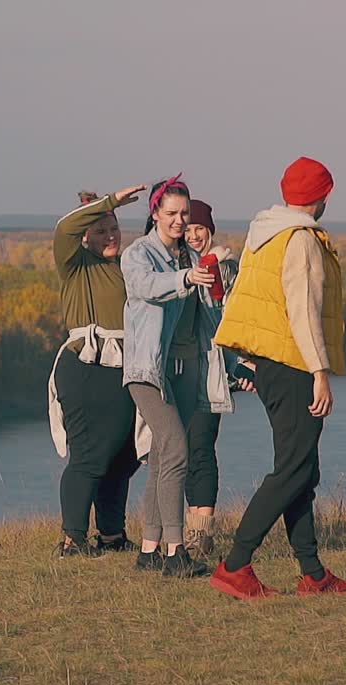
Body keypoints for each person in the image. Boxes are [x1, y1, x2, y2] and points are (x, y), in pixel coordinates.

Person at [211, 156, 346, 598]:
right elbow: (302, 311)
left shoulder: (265, 234)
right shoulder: (301, 241)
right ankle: (235, 565)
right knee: (293, 470)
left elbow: (255, 303)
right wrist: (320, 372)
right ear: (322, 196)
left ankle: (313, 575)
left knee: (301, 470)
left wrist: (254, 357)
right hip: (294, 364)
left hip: (272, 362)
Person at [48, 185, 148, 557]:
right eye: (102, 230)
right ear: (87, 236)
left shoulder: (126, 268)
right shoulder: (75, 264)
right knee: (90, 456)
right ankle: (72, 539)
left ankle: (111, 535)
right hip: (88, 367)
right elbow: (64, 229)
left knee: (122, 456)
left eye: (115, 228)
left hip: (124, 367)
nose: (111, 236)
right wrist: (109, 203)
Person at [119, 174, 211, 578]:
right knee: (176, 449)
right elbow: (145, 287)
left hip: (183, 369)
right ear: (155, 213)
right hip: (147, 369)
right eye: (171, 213)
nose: (178, 221)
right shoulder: (138, 254)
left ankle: (149, 547)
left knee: (160, 457)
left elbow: (204, 317)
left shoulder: (186, 257)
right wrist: (184, 279)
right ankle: (177, 552)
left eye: (184, 213)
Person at [172, 199, 253, 557]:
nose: (193, 235)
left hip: (213, 371)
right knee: (178, 451)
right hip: (176, 370)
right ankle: (180, 532)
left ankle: (200, 534)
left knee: (200, 447)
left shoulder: (229, 271)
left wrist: (246, 363)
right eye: (187, 229)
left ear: (209, 230)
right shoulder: (175, 269)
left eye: (199, 229)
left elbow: (239, 318)